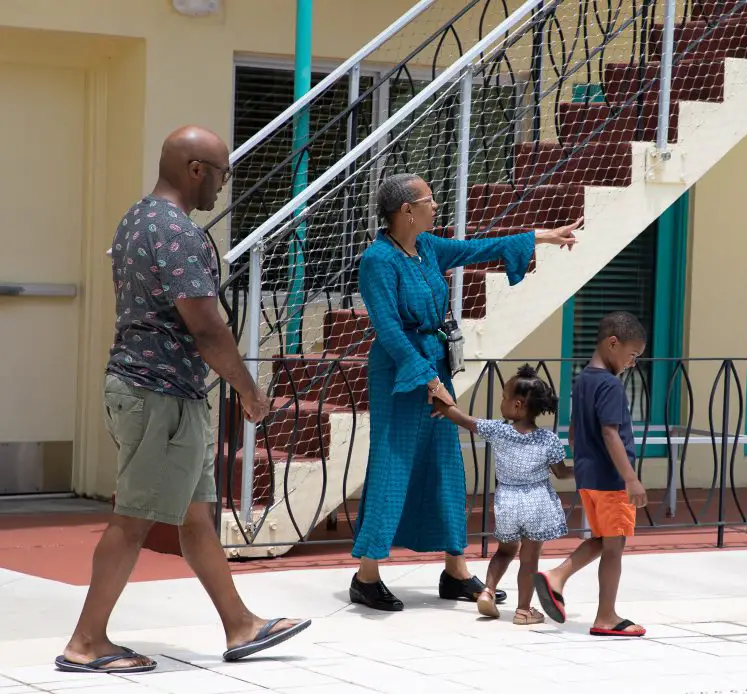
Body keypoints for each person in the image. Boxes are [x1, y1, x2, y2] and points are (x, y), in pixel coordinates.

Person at [57, 126, 310, 674]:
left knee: (195, 520)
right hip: (159, 395)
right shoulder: (174, 232)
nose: (223, 186)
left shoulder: (137, 218)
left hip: (156, 390)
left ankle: (240, 624)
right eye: (222, 174)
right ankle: (86, 642)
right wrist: (248, 388)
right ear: (197, 170)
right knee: (134, 518)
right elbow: (207, 327)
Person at [350, 173, 581, 611]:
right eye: (429, 200)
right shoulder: (378, 260)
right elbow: (388, 330)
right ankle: (367, 577)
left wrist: (542, 236)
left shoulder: (428, 248)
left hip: (434, 364)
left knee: (446, 464)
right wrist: (430, 380)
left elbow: (479, 247)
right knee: (392, 464)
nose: (436, 206)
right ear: (407, 211)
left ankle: (455, 571)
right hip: (401, 374)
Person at [532, 311, 648, 637]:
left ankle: (557, 577)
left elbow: (573, 434)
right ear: (613, 343)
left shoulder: (583, 379)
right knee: (614, 547)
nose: (633, 363)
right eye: (632, 355)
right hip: (612, 480)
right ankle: (606, 617)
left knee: (602, 539)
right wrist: (630, 478)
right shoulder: (610, 385)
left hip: (589, 477)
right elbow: (611, 434)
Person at [433, 364, 573, 625]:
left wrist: (439, 397)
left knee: (505, 552)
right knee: (529, 558)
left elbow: (461, 418)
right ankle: (523, 611)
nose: (502, 401)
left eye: (504, 397)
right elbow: (562, 474)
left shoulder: (499, 431)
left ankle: (487, 591)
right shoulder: (548, 440)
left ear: (517, 405)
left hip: (507, 501)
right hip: (537, 502)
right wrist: (585, 471)